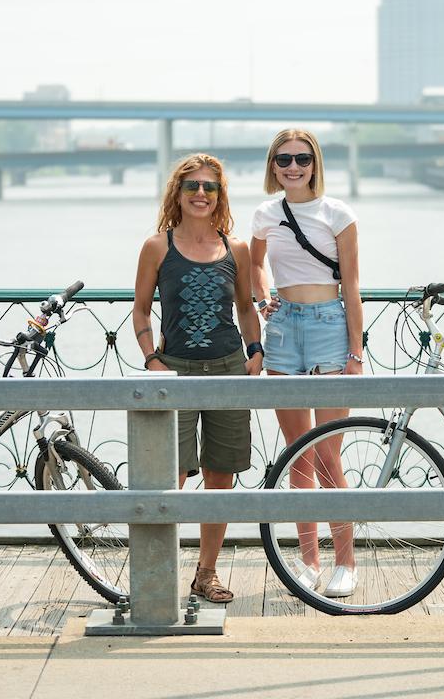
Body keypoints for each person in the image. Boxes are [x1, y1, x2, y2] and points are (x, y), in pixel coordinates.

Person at [133, 152, 264, 604]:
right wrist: (152, 357)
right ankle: (157, 569)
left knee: (220, 476)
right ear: (179, 193)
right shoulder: (157, 247)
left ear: (220, 195)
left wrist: (255, 350)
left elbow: (246, 308)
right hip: (176, 372)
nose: (202, 194)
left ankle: (206, 573)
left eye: (210, 187)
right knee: (172, 476)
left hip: (228, 368)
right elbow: (142, 310)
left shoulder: (237, 249)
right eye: (193, 187)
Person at [250, 128, 363, 599]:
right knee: (296, 451)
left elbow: (353, 284)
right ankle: (308, 560)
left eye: (301, 158)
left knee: (328, 452)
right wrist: (262, 299)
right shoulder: (265, 214)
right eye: (283, 159)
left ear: (314, 163)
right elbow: (255, 266)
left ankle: (346, 560)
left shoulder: (338, 213)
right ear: (272, 165)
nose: (292, 167)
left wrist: (356, 352)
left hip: (327, 326)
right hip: (282, 329)